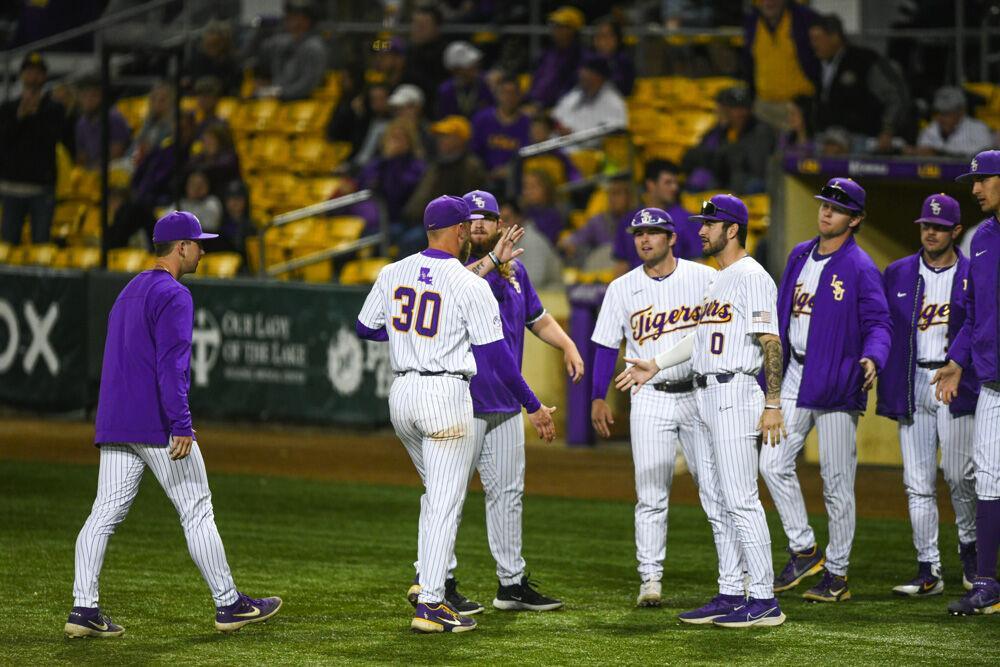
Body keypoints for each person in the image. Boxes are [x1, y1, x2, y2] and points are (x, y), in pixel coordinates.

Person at [65, 211, 281, 639]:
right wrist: (181, 422)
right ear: (181, 247)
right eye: (199, 243)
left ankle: (83, 609)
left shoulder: (128, 290)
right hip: (158, 422)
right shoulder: (174, 294)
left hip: (116, 419)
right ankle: (229, 603)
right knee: (197, 510)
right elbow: (172, 366)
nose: (203, 250)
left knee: (103, 514)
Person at [355, 195, 555, 633]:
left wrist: (411, 333)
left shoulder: (394, 270)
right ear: (461, 231)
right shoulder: (469, 285)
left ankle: (428, 581)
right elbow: (499, 361)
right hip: (445, 395)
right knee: (446, 502)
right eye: (467, 228)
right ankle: (431, 602)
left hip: (403, 395)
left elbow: (365, 327)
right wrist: (534, 404)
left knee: (435, 496)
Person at [614, 194, 788, 628]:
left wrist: (772, 402)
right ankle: (731, 591)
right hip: (708, 396)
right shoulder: (719, 278)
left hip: (735, 394)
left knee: (741, 500)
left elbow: (771, 343)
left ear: (733, 229)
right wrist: (656, 363)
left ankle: (764, 598)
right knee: (721, 499)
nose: (702, 230)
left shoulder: (752, 277)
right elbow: (698, 339)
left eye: (710, 223)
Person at [759, 178, 891, 603]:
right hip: (796, 373)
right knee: (772, 462)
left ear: (854, 219)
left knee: (836, 483)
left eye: (837, 207)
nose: (826, 211)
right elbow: (781, 316)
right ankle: (804, 548)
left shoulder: (861, 267)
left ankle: (837, 574)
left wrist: (874, 357)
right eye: (824, 204)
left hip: (837, 382)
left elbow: (879, 323)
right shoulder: (800, 254)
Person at [450, 188, 579, 612]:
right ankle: (439, 581)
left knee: (508, 493)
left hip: (504, 404)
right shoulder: (452, 269)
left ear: (500, 222)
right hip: (460, 404)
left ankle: (511, 584)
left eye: (488, 217)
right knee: (448, 496)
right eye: (473, 219)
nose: (481, 224)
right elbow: (463, 284)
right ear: (462, 227)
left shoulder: (515, 271)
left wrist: (567, 345)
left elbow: (537, 319)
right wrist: (494, 261)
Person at [590, 207, 718, 607]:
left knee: (715, 490)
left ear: (672, 238)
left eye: (653, 232)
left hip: (699, 394)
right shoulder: (622, 288)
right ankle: (650, 579)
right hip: (650, 399)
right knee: (650, 494)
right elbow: (606, 345)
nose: (645, 239)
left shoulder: (705, 277)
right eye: (639, 233)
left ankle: (739, 574)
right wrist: (597, 395)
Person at [878, 193, 978, 596]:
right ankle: (928, 570)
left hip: (956, 383)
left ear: (956, 231)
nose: (930, 232)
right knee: (917, 482)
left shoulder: (973, 273)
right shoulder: (898, 272)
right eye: (926, 225)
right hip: (911, 382)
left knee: (959, 477)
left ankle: (972, 561)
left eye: (939, 227)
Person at [933, 149, 1000, 616]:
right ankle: (989, 581)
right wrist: (957, 358)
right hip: (993, 385)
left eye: (983, 180)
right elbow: (974, 311)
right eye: (972, 181)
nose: (975, 189)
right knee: (989, 480)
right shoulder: (980, 239)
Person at [809, 13, 912, 153]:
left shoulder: (863, 61)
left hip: (861, 141)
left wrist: (888, 130)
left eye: (817, 39)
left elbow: (894, 97)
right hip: (827, 141)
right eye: (812, 39)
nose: (813, 44)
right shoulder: (816, 65)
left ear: (834, 37)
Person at [0, 52, 69, 245]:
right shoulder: (8, 109)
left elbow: (52, 138)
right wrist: (20, 117)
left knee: (41, 244)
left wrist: (35, 115)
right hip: (12, 187)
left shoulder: (54, 109)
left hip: (41, 188)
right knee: (8, 244)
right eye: (29, 72)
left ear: (44, 77)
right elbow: (4, 140)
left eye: (38, 72)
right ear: (22, 75)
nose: (33, 77)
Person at [402, 115, 487, 243]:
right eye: (440, 137)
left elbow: (464, 203)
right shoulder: (436, 165)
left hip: (447, 226)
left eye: (446, 136)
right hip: (421, 221)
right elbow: (419, 199)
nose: (440, 141)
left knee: (412, 239)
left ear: (460, 139)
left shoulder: (470, 167)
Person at [681, 85, 776, 194]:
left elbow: (756, 167)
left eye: (744, 108)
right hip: (724, 179)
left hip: (749, 183)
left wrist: (722, 155)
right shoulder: (721, 130)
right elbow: (696, 156)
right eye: (735, 109)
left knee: (746, 183)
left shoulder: (761, 131)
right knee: (699, 178)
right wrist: (720, 131)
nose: (740, 113)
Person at [742, 0, 820, 129]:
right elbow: (749, 62)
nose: (768, 2)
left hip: (797, 108)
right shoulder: (752, 21)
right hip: (762, 107)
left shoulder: (805, 19)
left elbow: (820, 59)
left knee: (796, 148)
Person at [612, 160, 698, 273]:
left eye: (676, 183)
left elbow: (697, 263)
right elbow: (622, 265)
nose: (674, 188)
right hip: (636, 287)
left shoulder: (688, 221)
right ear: (651, 185)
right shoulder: (629, 220)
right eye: (668, 182)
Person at [254, 0, 327, 100]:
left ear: (306, 20)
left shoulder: (313, 47)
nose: (288, 19)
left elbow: (307, 84)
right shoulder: (285, 42)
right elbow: (264, 50)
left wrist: (281, 93)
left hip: (302, 104)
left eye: (294, 16)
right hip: (281, 99)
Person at [559, 174, 633, 270]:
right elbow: (572, 240)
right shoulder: (599, 221)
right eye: (610, 194)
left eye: (617, 193)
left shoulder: (640, 218)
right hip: (606, 273)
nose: (612, 199)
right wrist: (566, 243)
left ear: (630, 196)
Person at [470, 75, 532, 188]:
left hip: (516, 179)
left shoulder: (528, 123)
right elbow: (474, 151)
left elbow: (529, 155)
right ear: (497, 95)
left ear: (520, 96)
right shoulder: (482, 119)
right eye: (504, 93)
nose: (509, 97)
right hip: (484, 177)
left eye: (513, 93)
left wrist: (511, 170)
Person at [551, 54, 628, 141]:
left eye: (586, 71)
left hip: (593, 152)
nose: (581, 74)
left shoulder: (614, 102)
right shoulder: (575, 94)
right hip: (561, 149)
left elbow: (614, 137)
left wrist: (573, 134)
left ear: (598, 76)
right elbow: (555, 117)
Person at [527, 6, 584, 109]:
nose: (555, 30)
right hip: (534, 106)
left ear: (572, 30)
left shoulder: (579, 57)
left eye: (560, 26)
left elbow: (571, 91)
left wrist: (543, 106)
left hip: (558, 110)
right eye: (554, 26)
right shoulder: (547, 53)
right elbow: (535, 81)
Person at [913, 86, 994, 158]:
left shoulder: (979, 129)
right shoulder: (929, 130)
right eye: (938, 112)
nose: (940, 118)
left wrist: (938, 153)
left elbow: (983, 159)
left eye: (946, 113)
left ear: (961, 111)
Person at [74, 74, 131, 170]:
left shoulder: (114, 118)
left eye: (94, 96)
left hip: (114, 172)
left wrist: (94, 168)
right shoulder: (81, 124)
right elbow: (82, 156)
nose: (88, 100)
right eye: (84, 96)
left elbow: (116, 153)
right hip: (91, 173)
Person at [402, 5, 449, 113]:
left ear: (436, 28)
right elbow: (376, 45)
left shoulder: (445, 53)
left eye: (422, 26)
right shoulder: (408, 49)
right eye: (414, 24)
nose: (416, 29)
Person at [436, 41, 494, 120]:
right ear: (455, 70)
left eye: (474, 63)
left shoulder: (488, 82)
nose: (474, 66)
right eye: (469, 64)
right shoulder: (446, 90)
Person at [129, 81, 174, 168]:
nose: (157, 103)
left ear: (171, 102)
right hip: (134, 164)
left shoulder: (173, 127)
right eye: (154, 99)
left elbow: (164, 154)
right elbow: (134, 148)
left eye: (162, 100)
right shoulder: (147, 124)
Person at [590, 16, 635, 97]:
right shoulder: (587, 61)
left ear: (617, 39)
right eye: (599, 36)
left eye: (609, 36)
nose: (603, 42)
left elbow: (626, 90)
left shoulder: (624, 61)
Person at [519, 169, 564, 246]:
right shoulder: (523, 212)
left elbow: (548, 243)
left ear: (546, 189)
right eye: (525, 187)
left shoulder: (555, 214)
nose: (528, 192)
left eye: (533, 187)